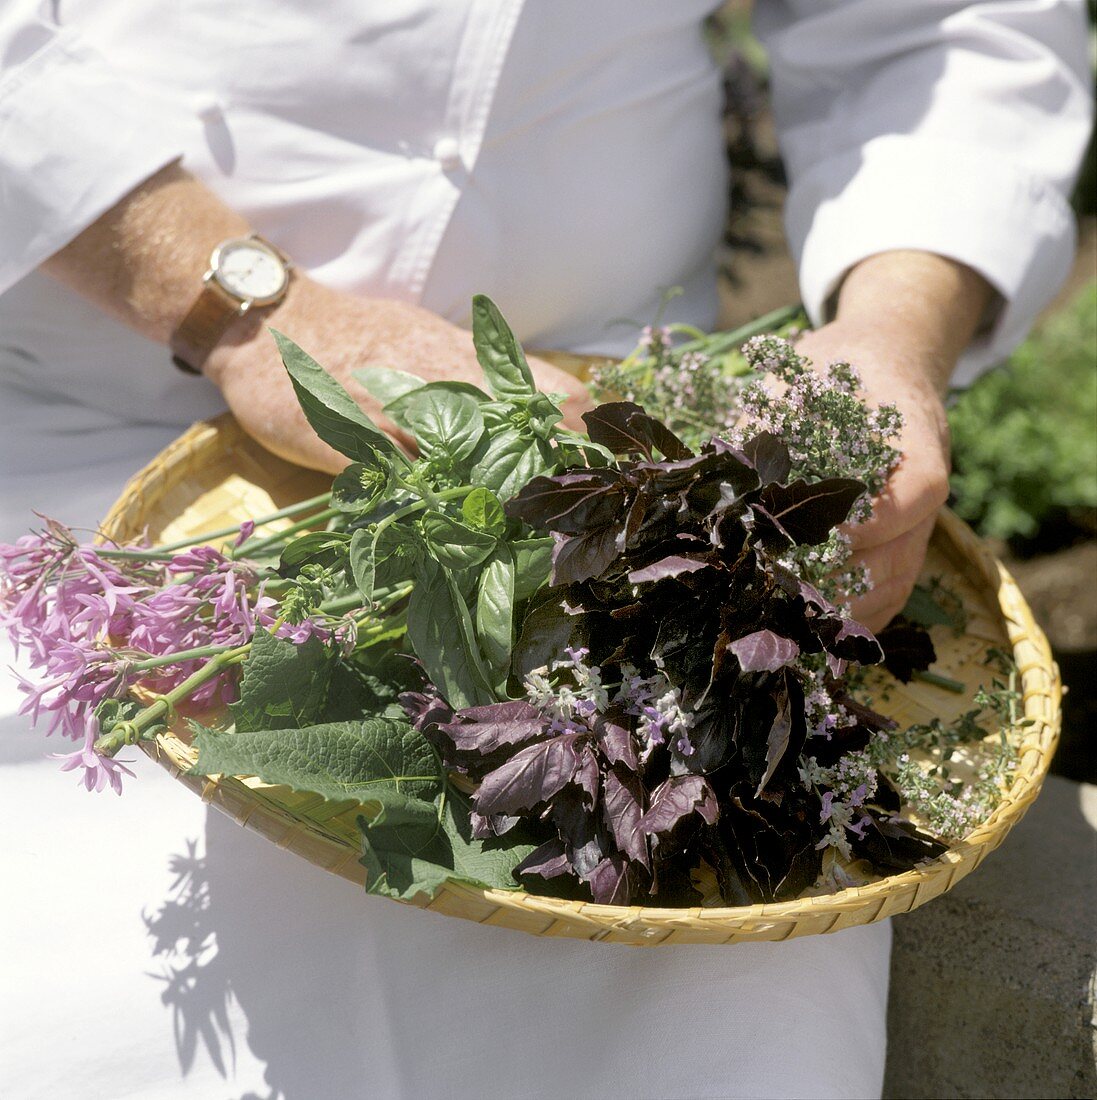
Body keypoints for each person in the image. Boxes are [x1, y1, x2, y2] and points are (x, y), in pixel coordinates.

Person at [0, 2, 1090, 1097]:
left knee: (702, 1019)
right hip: (96, 407)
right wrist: (232, 297)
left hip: (620, 441)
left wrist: (889, 333)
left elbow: (942, 29)